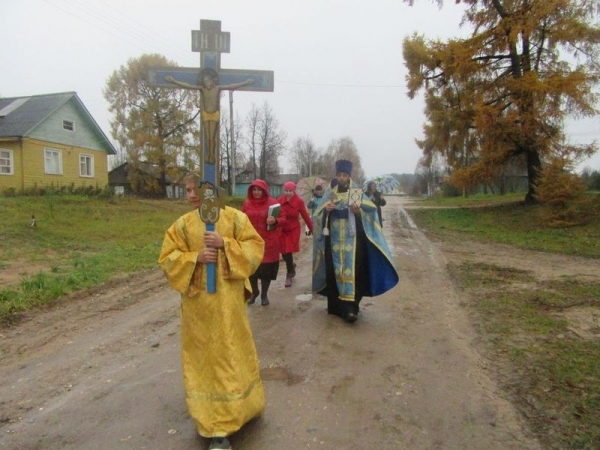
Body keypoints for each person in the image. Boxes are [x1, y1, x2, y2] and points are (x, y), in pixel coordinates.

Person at [158, 173, 266, 450]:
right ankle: (216, 425)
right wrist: (195, 258)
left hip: (229, 311)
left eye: (195, 189)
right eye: (187, 190)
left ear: (211, 191)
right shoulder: (182, 226)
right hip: (199, 314)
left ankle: (243, 409)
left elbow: (256, 248)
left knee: (232, 357)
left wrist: (224, 245)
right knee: (205, 363)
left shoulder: (234, 219)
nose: (191, 195)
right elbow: (168, 260)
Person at [312, 160, 399, 323]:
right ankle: (337, 307)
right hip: (334, 240)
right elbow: (317, 214)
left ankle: (351, 309)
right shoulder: (330, 193)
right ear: (336, 176)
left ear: (349, 176)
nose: (342, 178)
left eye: (344, 175)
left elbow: (370, 213)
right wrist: (326, 211)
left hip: (353, 240)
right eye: (339, 175)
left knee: (354, 271)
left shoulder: (356, 191)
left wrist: (358, 212)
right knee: (335, 271)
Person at [165, 69, 253, 164]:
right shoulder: (203, 89)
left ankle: (212, 155)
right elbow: (189, 86)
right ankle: (209, 155)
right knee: (208, 137)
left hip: (214, 114)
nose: (206, 84)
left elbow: (231, 86)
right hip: (206, 114)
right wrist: (174, 81)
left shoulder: (217, 88)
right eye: (204, 82)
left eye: (207, 81)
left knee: (212, 137)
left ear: (211, 81)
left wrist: (246, 82)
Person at [242, 179, 285, 305]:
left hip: (269, 242)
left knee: (266, 270)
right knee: (252, 270)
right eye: (254, 190)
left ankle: (264, 295)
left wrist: (275, 221)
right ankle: (255, 291)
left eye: (259, 190)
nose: (256, 192)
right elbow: (240, 219)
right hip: (251, 242)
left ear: (264, 190)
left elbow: (283, 218)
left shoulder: (273, 203)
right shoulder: (247, 204)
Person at [278, 181, 313, 287]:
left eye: (290, 191)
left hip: (293, 229)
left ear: (294, 191)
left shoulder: (299, 201)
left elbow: (306, 216)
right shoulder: (279, 201)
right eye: (286, 191)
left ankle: (289, 274)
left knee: (288, 250)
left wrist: (313, 229)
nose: (288, 193)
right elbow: (273, 214)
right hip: (282, 229)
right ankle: (291, 266)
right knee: (283, 252)